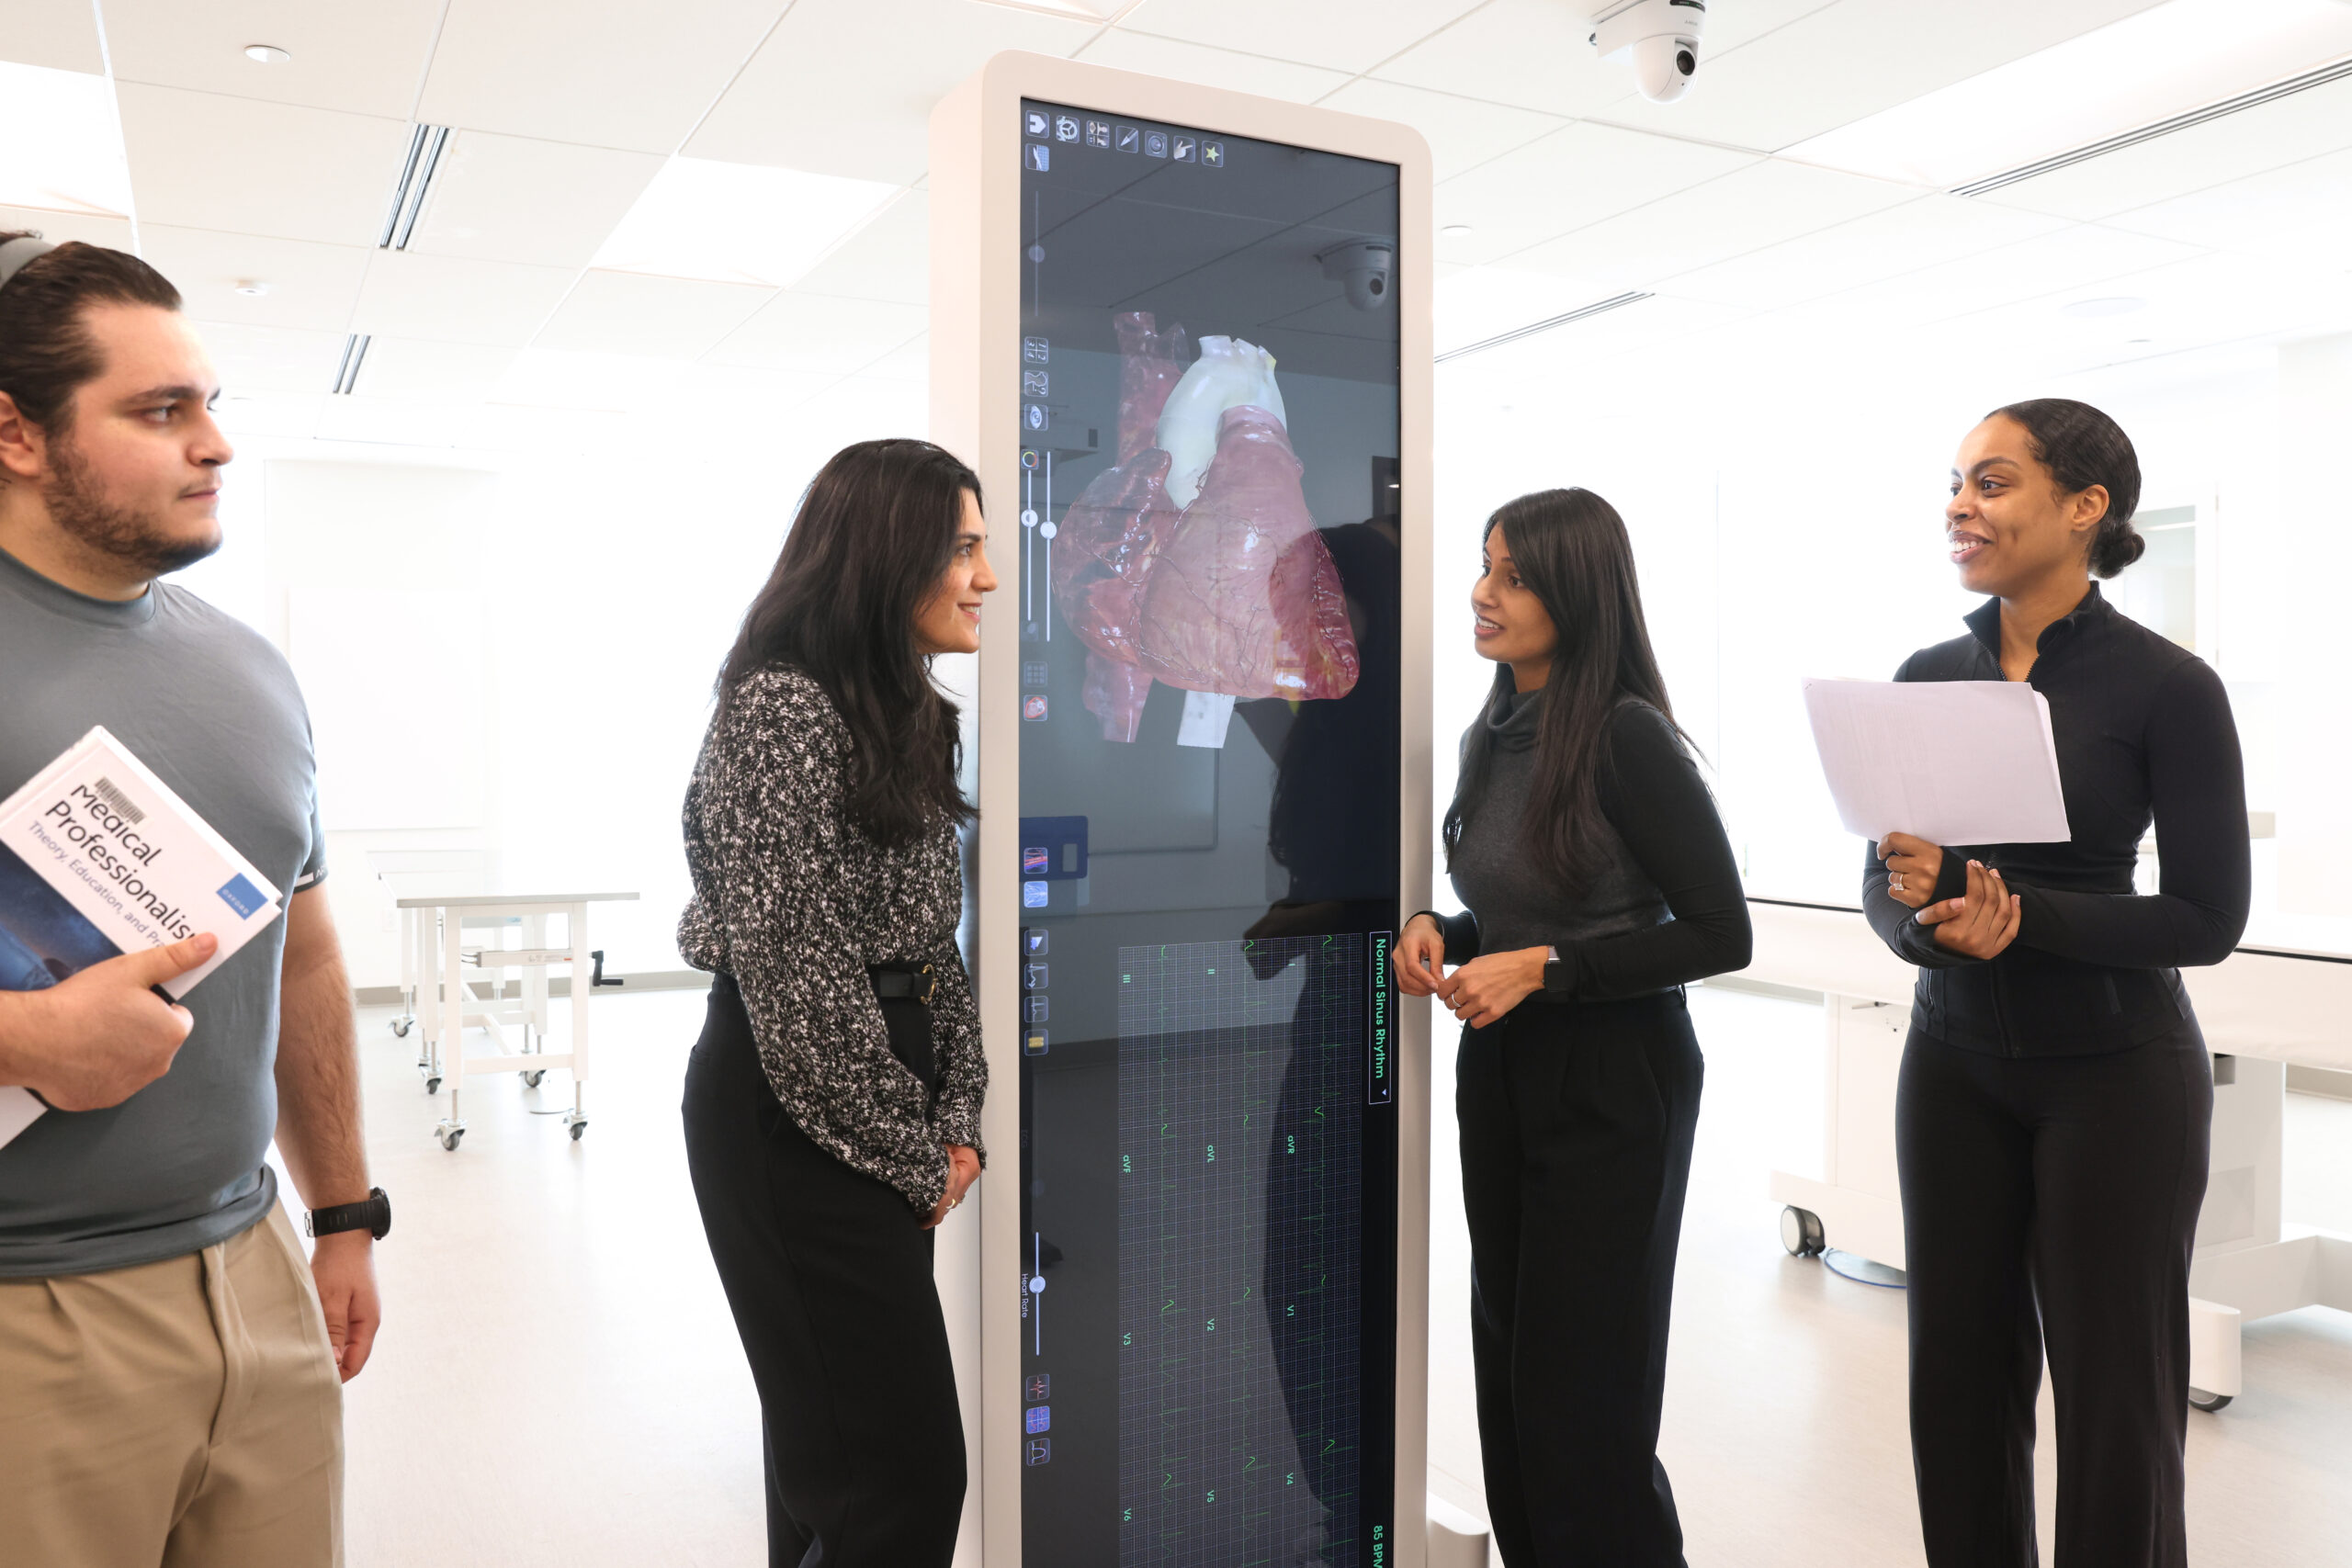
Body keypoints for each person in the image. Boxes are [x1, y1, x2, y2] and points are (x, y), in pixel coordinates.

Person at [0, 232, 380, 1563]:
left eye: (210, 404)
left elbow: (312, 958)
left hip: (254, 1267)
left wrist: (341, 1213)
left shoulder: (253, 671)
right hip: (27, 1318)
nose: (212, 443)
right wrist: (20, 1035)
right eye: (161, 411)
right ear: (18, 433)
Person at [1869, 399, 2246, 1568]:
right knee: (1959, 1382)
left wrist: (2019, 917)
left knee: (2115, 1401)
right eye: (1954, 483)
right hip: (1951, 1064)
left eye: (1990, 483)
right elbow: (1885, 885)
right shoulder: (1927, 675)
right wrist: (1932, 929)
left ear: (2084, 509)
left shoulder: (2168, 686)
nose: (1958, 506)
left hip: (2115, 1076)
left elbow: (2203, 917)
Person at [1394, 488, 1750, 1566]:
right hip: (1502, 1065)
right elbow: (1513, 909)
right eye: (1484, 566)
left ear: (1575, 593)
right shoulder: (1489, 731)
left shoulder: (1627, 738)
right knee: (1508, 1374)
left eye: (1510, 575)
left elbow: (1719, 933)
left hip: (1614, 1075)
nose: (1480, 592)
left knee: (1581, 1399)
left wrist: (1547, 970)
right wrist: (1438, 927)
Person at [679, 437, 996, 1567]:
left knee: (834, 1471)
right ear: (885, 552)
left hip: (877, 1097)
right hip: (788, 1109)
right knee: (897, 1481)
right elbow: (797, 980)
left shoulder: (903, 707)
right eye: (962, 549)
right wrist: (915, 1154)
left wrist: (957, 1117)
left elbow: (928, 943)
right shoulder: (781, 712)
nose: (987, 578)